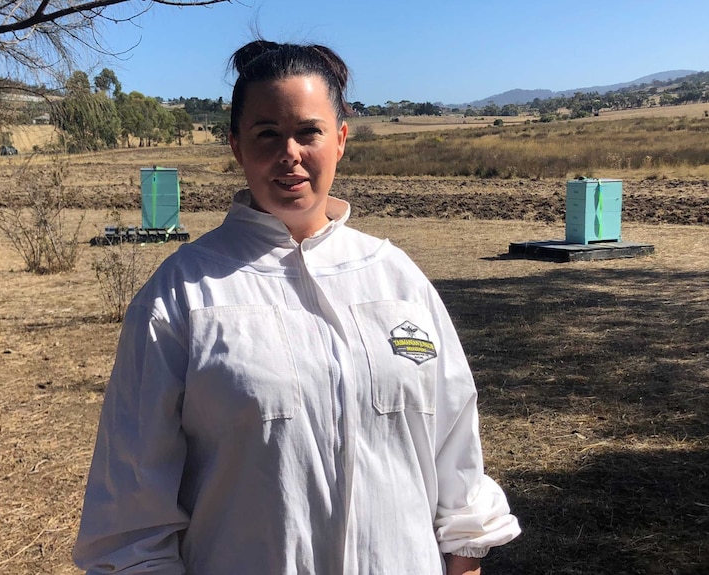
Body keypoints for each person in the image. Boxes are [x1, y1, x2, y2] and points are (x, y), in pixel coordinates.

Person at [73, 40, 520, 575]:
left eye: (308, 132)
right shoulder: (182, 294)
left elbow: (456, 449)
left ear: (340, 140)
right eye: (267, 134)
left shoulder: (397, 277)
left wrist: (466, 558)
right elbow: (132, 511)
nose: (290, 154)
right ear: (237, 146)